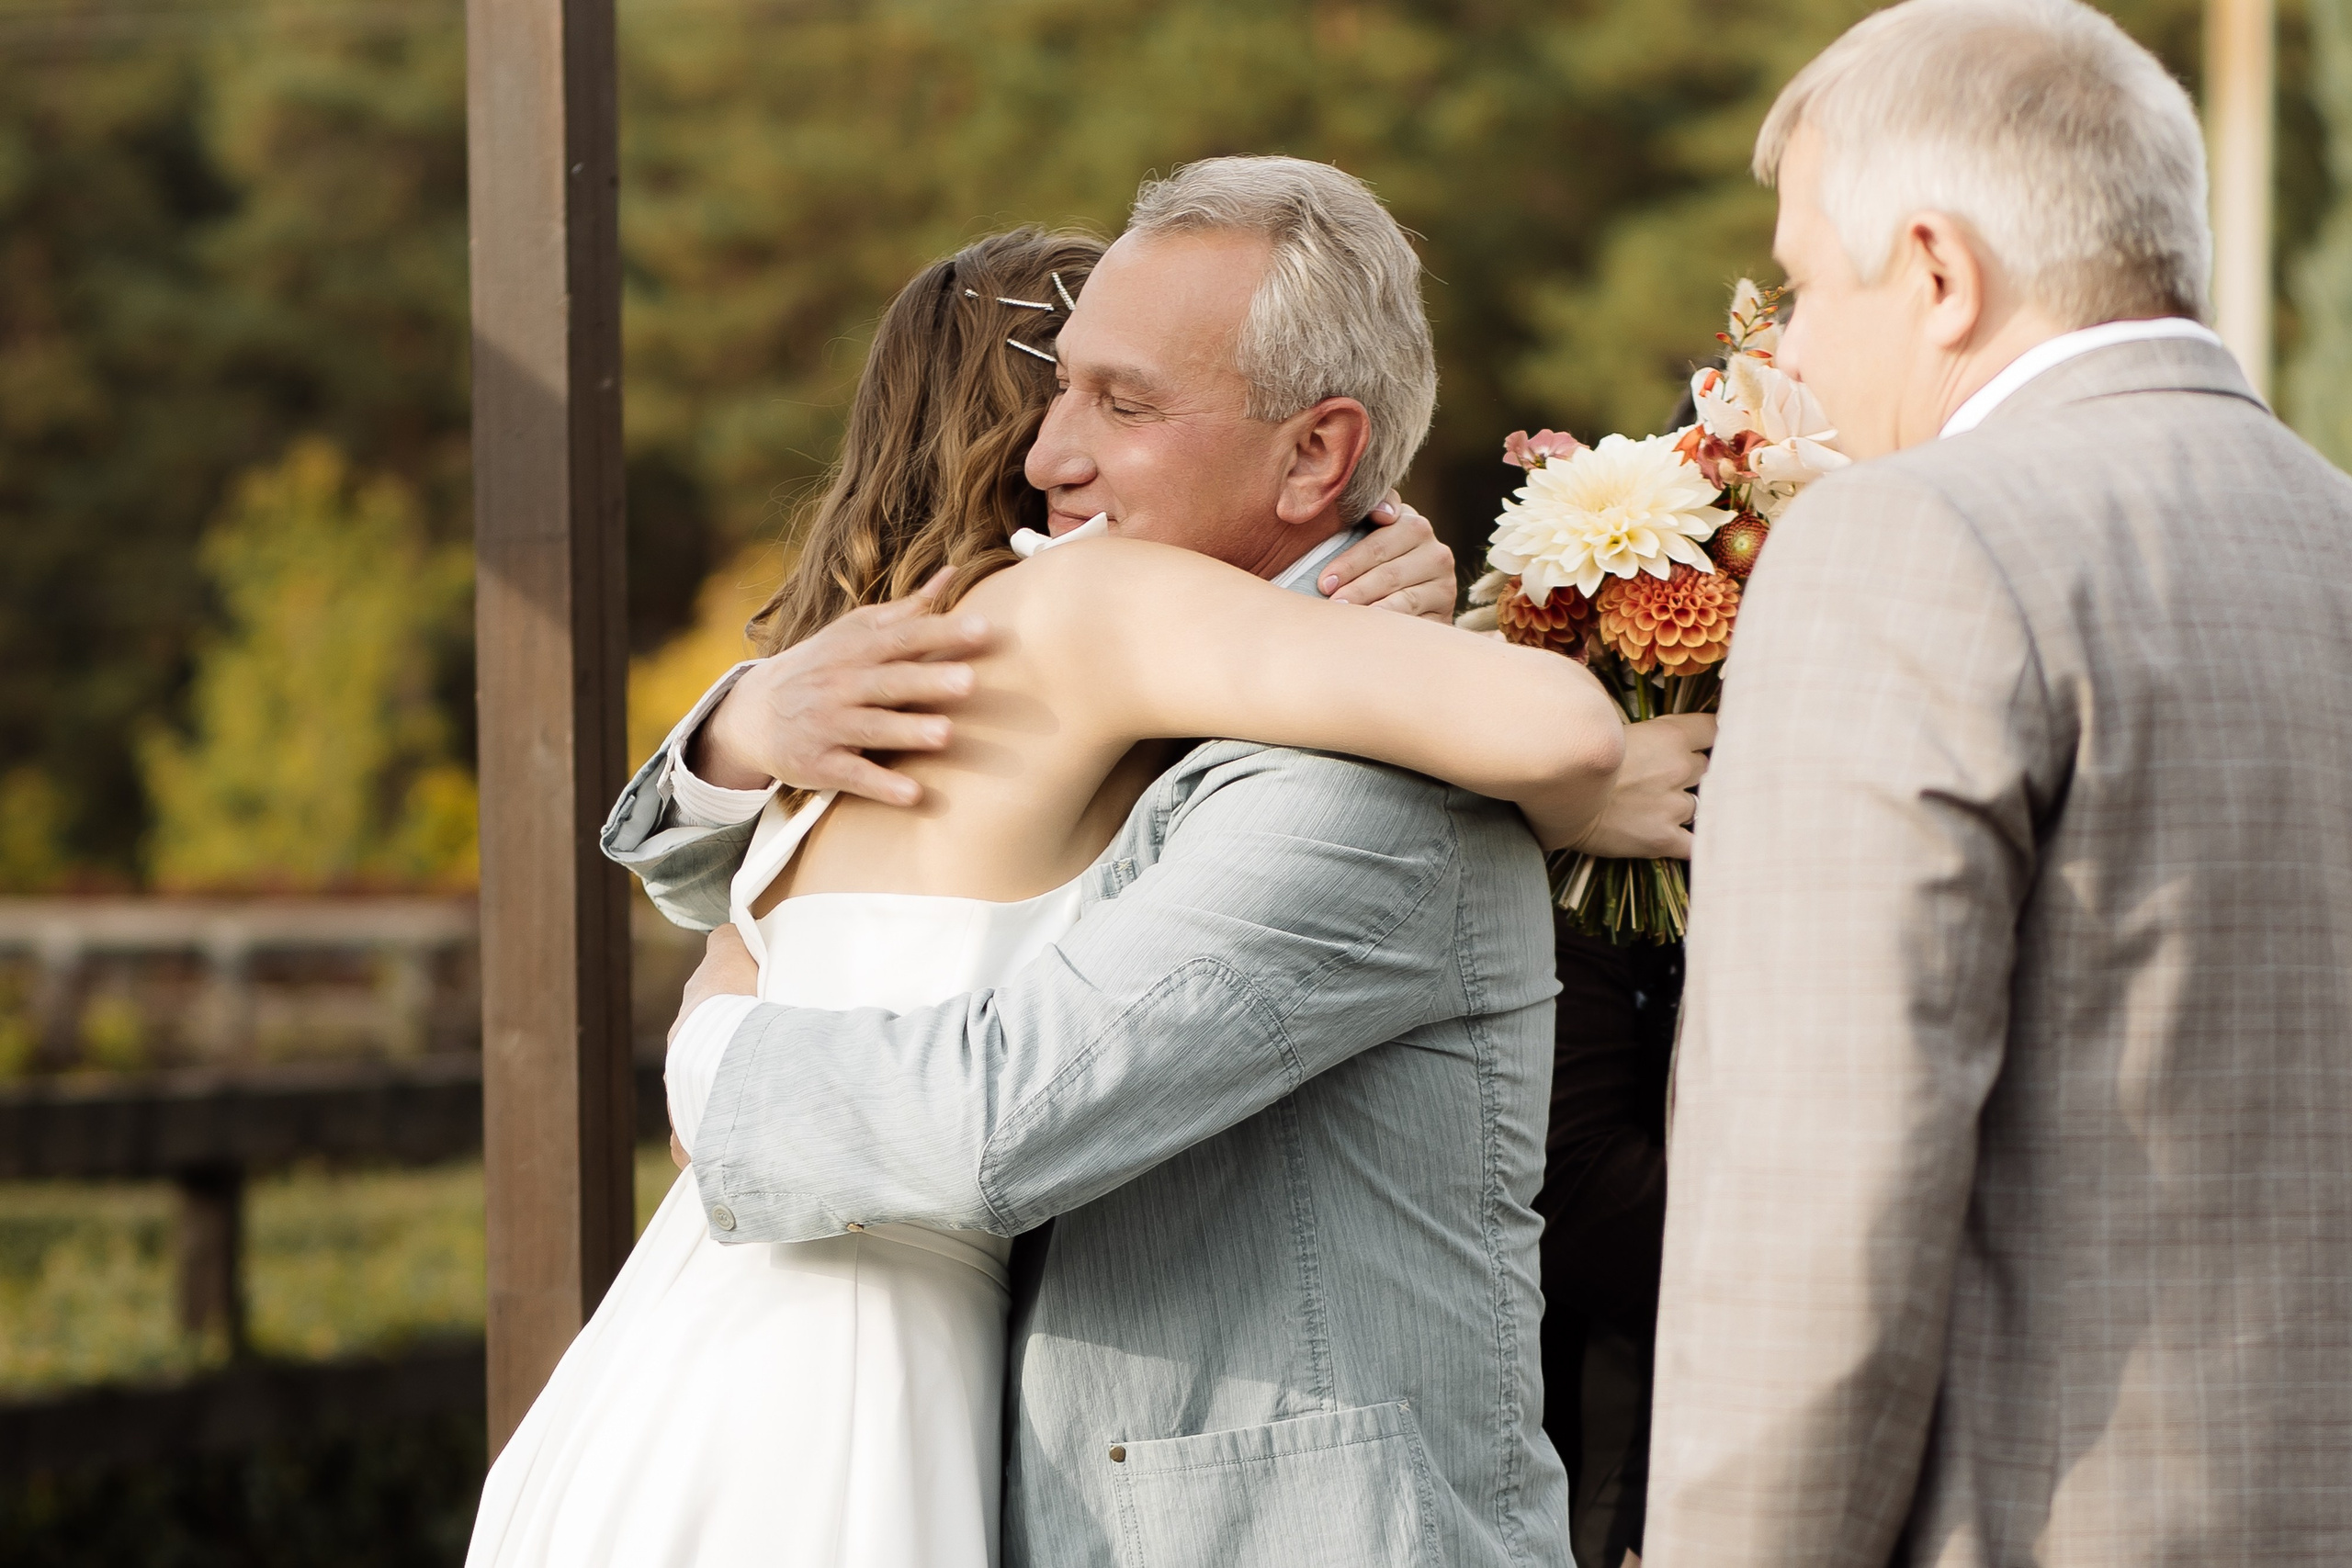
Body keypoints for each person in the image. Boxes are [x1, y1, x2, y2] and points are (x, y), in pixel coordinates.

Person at [479, 177, 1710, 1567]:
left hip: (750, 1363)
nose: (1059, 456)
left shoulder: (1131, 692)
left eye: (1120, 406)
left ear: (1316, 456)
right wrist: (737, 786)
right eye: (1057, 396)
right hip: (841, 1383)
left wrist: (722, 1007)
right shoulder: (1090, 615)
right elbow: (1557, 729)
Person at [1643, 2, 2352, 1564]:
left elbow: (1819, 1194)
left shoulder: (1908, 546)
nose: (1795, 352)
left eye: (1812, 285)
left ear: (1940, 270)